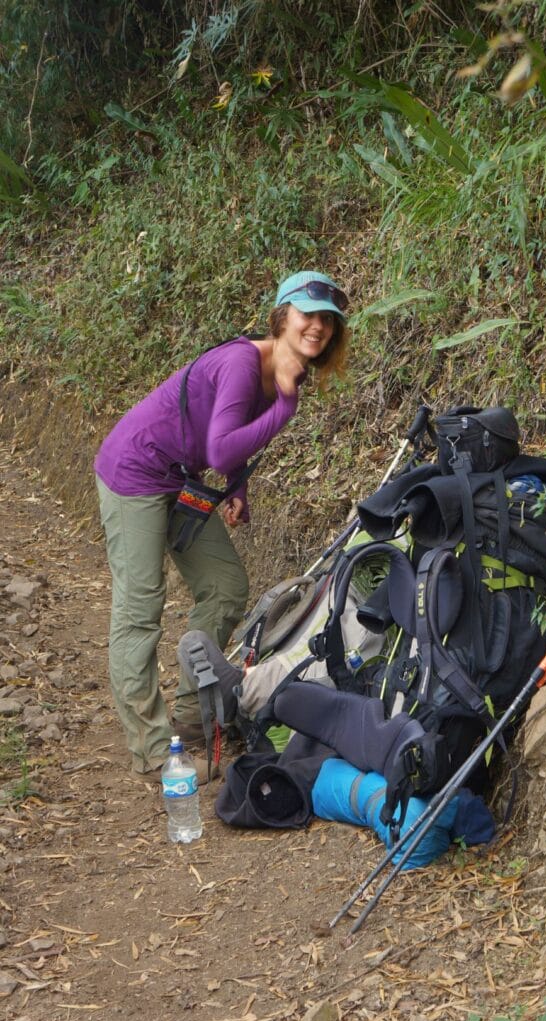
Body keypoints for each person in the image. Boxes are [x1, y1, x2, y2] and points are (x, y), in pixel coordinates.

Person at [94, 270, 349, 783]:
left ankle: (190, 711)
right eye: (307, 314)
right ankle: (150, 746)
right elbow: (219, 446)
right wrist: (284, 407)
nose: (317, 327)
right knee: (141, 606)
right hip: (134, 471)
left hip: (178, 478)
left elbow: (226, 438)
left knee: (225, 586)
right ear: (282, 316)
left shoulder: (276, 371)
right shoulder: (243, 364)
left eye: (327, 320)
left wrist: (238, 485)